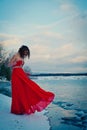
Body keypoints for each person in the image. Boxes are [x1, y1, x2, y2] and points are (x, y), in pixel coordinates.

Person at [8, 45, 55, 115]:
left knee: (28, 88)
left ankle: (23, 108)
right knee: (17, 91)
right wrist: (14, 63)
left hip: (21, 74)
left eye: (27, 52)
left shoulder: (22, 57)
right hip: (16, 75)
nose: (26, 54)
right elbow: (9, 65)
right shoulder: (16, 55)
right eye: (25, 52)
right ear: (22, 50)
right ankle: (16, 110)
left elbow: (20, 67)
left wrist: (25, 73)